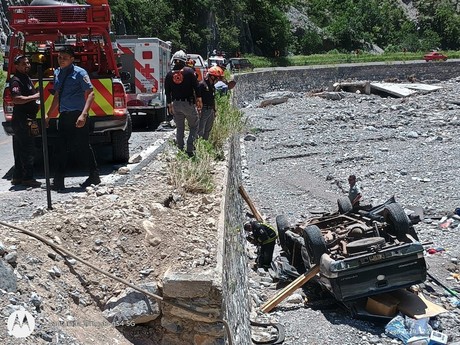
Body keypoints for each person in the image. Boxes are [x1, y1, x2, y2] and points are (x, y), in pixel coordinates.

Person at [46, 46, 99, 191]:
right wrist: (49, 115)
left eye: (64, 57)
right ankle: (58, 181)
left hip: (78, 115)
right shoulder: (57, 73)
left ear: (72, 59)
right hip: (64, 116)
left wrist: (84, 114)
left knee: (82, 146)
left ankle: (94, 176)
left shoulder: (80, 73)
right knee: (60, 148)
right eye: (59, 57)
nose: (61, 60)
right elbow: (57, 96)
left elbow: (90, 94)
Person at [9, 55, 42, 188]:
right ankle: (28, 178)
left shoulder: (26, 78)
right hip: (22, 119)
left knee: (19, 148)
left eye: (28, 63)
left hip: (27, 118)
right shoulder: (16, 80)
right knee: (27, 149)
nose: (26, 65)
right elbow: (16, 99)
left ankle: (17, 176)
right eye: (23, 64)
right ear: (16, 66)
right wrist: (35, 96)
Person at [165, 50, 202, 157]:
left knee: (179, 128)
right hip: (188, 104)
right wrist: (199, 101)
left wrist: (169, 105)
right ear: (184, 60)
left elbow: (167, 92)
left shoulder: (169, 75)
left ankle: (180, 149)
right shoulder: (189, 72)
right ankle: (190, 148)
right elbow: (197, 87)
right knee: (194, 126)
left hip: (175, 104)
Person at [197, 66, 224, 140]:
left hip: (210, 110)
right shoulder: (202, 85)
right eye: (218, 78)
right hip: (204, 109)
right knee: (200, 129)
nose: (218, 80)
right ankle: (198, 145)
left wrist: (214, 110)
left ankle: (205, 143)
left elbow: (213, 98)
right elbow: (198, 99)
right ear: (212, 77)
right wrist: (199, 110)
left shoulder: (212, 86)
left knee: (208, 129)